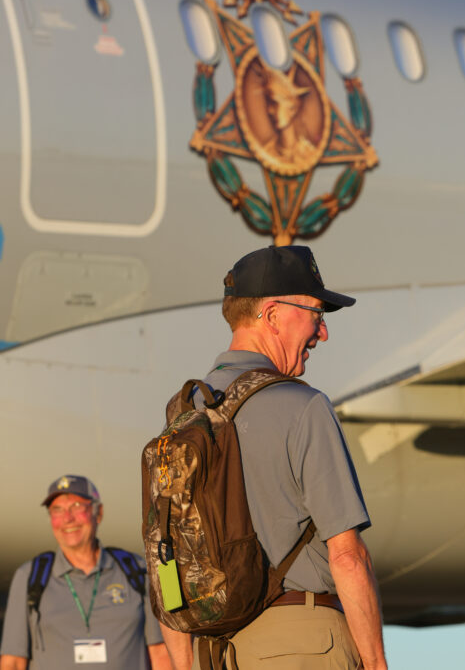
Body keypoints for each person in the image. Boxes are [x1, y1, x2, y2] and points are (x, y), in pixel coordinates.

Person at [171, 245, 386, 670]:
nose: (322, 333)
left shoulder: (181, 415)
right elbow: (347, 555)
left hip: (213, 653)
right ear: (271, 315)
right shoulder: (303, 406)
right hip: (303, 646)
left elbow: (166, 564)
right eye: (316, 314)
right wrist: (377, 664)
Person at [0, 475, 173, 670]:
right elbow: (13, 662)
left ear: (98, 513)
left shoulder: (138, 571)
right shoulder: (29, 577)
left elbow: (161, 654)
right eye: (57, 510)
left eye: (76, 506)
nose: (67, 518)